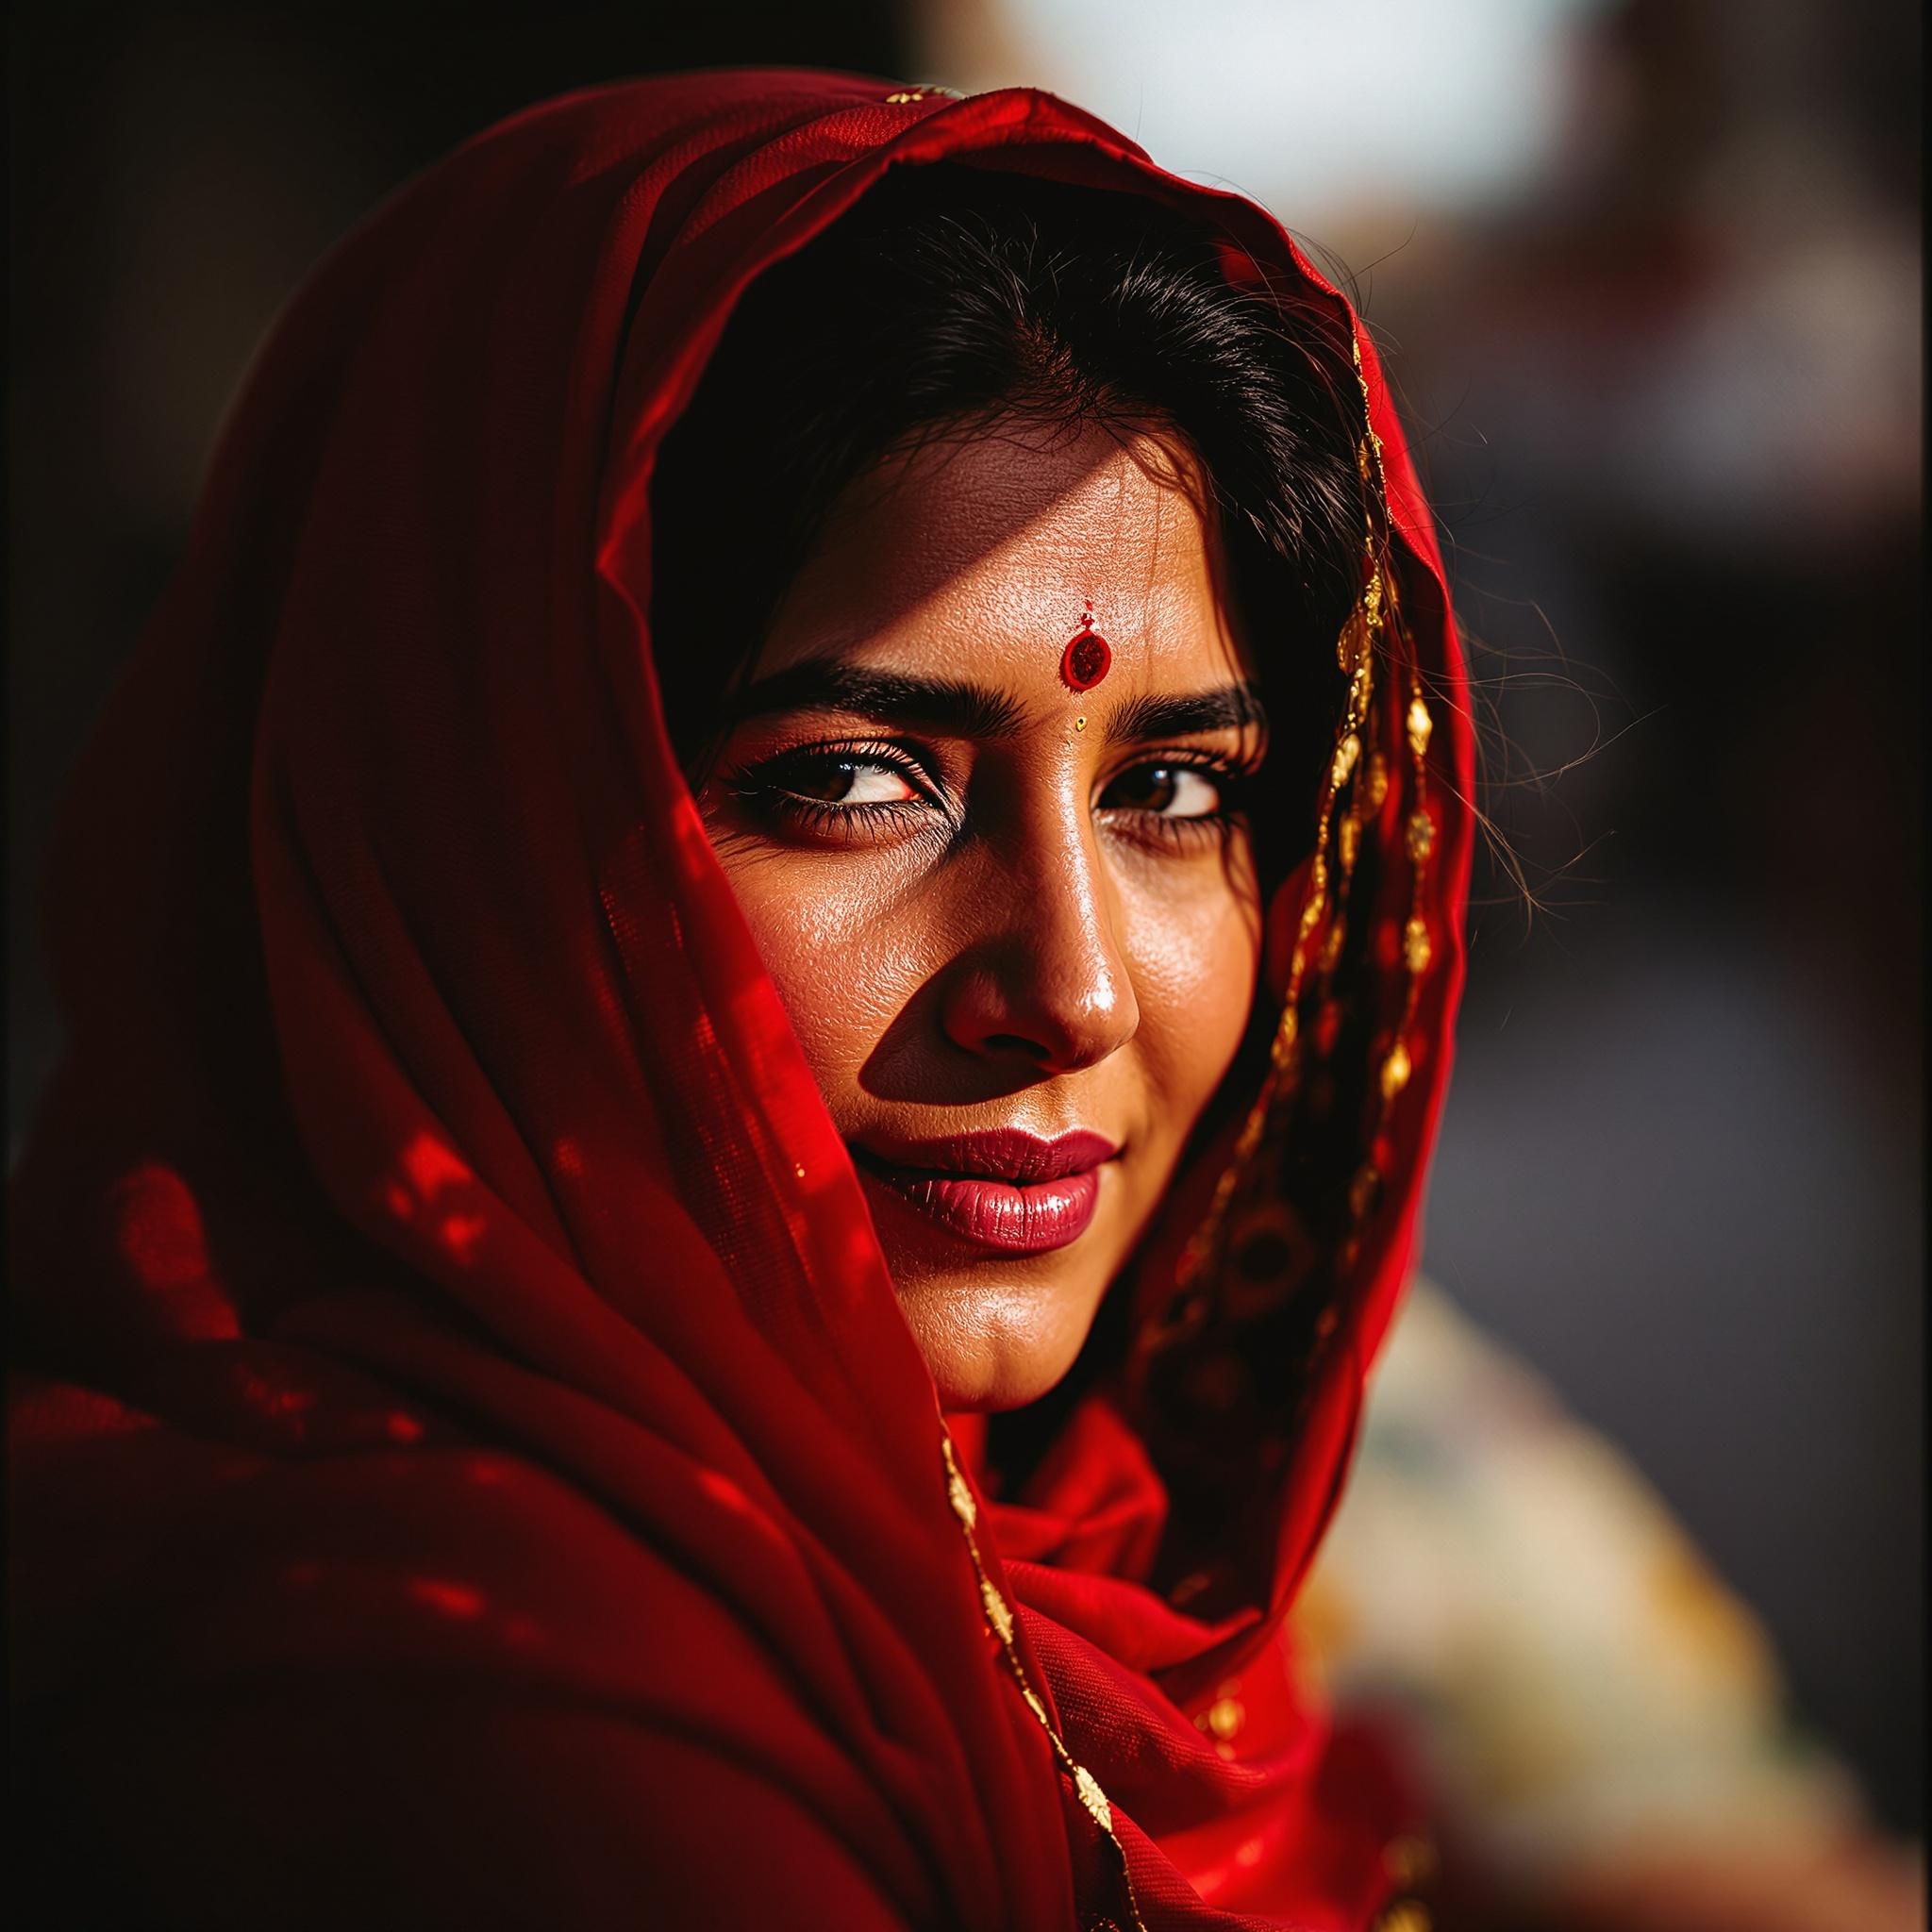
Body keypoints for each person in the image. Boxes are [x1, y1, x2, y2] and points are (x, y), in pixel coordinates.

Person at [8, 72, 1474, 1928]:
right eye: (854, 781)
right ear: (467, 820)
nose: (1074, 988)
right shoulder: (489, 1721)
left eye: (1170, 792)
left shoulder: (1072, 1568)